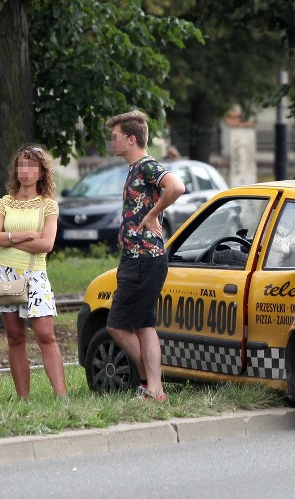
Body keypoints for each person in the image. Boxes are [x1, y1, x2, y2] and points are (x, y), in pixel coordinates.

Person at [105, 110, 185, 401]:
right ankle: (154, 388)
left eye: (114, 137)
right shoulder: (135, 169)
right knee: (144, 325)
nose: (110, 142)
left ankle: (150, 382)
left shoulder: (146, 166)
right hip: (142, 257)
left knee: (117, 324)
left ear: (130, 139)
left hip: (143, 258)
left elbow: (176, 187)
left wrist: (153, 214)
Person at [0, 145, 66, 399]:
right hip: (6, 275)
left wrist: (9, 238)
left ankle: (61, 396)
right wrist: (25, 235)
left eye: (32, 166)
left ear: (42, 172)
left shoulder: (48, 205)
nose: (26, 171)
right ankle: (24, 399)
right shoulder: (4, 203)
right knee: (15, 337)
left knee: (45, 335)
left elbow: (46, 244)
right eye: (22, 165)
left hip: (35, 275)